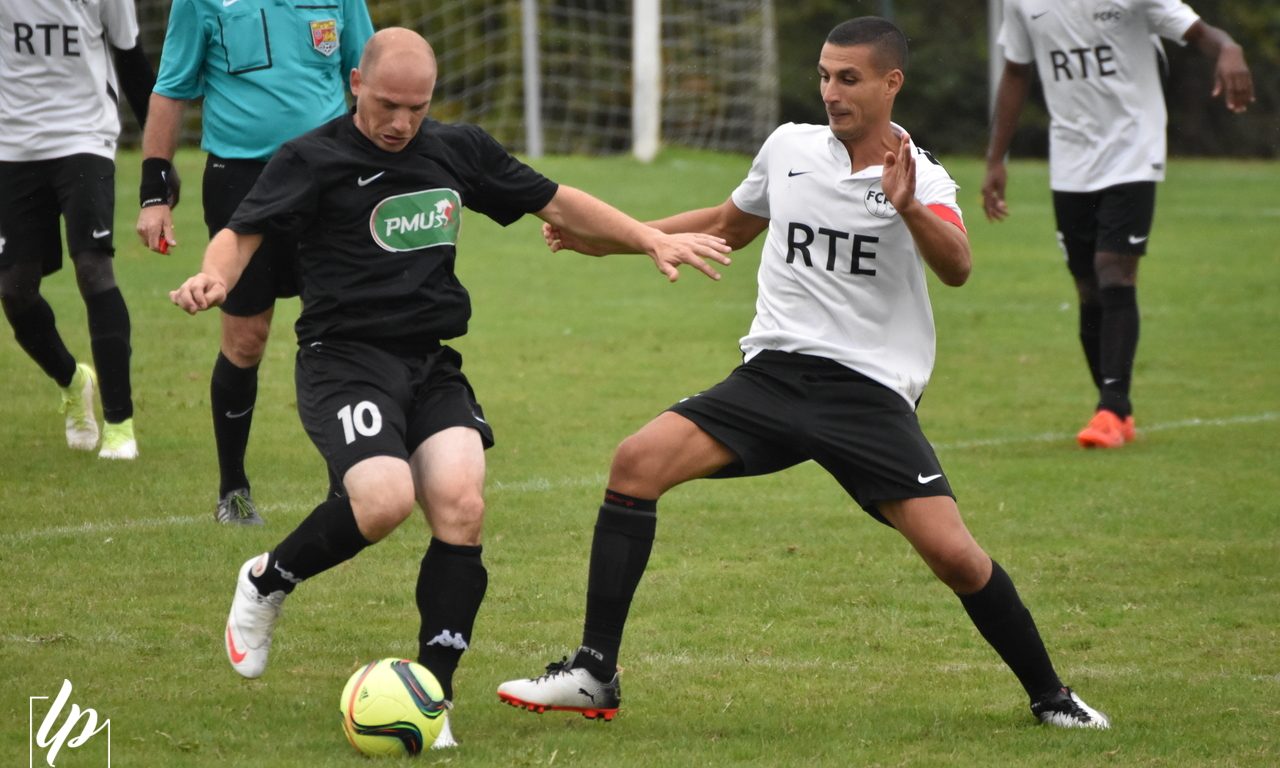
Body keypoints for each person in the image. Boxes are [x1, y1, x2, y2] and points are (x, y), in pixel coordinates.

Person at [496, 17, 1110, 730]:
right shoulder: (788, 147)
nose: (831, 91)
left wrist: (907, 207)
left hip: (865, 394)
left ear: (891, 83)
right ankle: (593, 673)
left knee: (955, 556)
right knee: (636, 462)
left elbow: (959, 267)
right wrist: (622, 241)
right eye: (824, 75)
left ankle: (1051, 697)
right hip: (774, 376)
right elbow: (729, 222)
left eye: (848, 78)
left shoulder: (921, 174)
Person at [169, 27, 731, 749]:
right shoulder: (312, 157)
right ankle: (269, 578)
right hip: (344, 359)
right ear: (356, 87)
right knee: (384, 500)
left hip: (430, 363)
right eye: (389, 106)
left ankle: (432, 700)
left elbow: (556, 201)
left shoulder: (456, 148)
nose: (401, 122)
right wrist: (217, 274)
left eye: (418, 106)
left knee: (462, 505)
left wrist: (649, 236)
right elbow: (242, 232)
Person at [137, 0, 374, 523]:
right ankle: (233, 490)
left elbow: (368, 75)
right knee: (246, 338)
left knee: (340, 330)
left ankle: (347, 482)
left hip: (328, 178)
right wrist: (155, 192)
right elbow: (173, 86)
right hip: (241, 178)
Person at [982, 1, 1253, 449]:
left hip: (1133, 146)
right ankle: (1115, 409)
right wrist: (996, 158)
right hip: (1071, 156)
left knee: (1114, 270)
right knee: (1087, 285)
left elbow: (1202, 33)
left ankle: (1109, 407)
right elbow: (1016, 71)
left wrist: (1230, 48)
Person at [0, 0, 155, 460]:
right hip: (12, 144)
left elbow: (130, 57)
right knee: (14, 290)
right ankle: (73, 381)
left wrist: (157, 158)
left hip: (84, 135)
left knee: (93, 270)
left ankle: (120, 424)